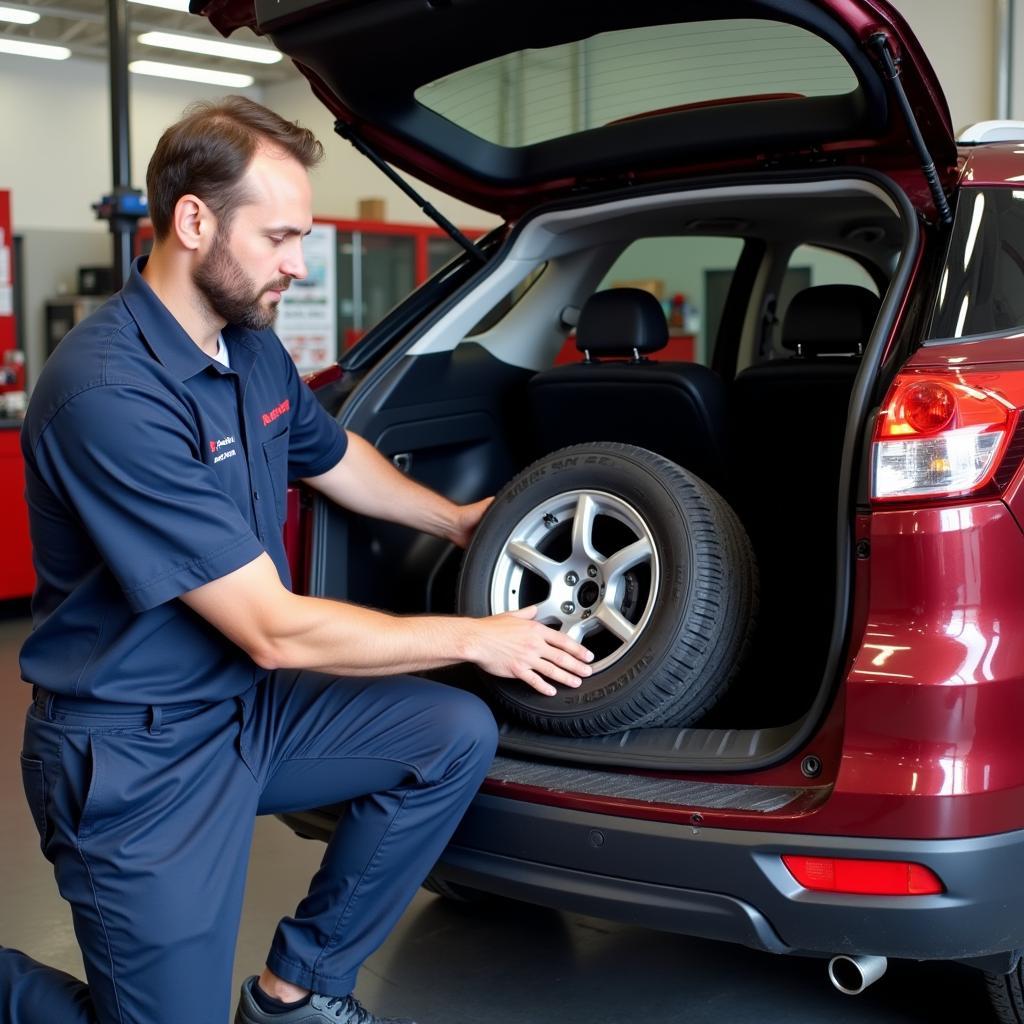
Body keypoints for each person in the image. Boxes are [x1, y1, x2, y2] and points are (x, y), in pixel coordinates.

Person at [1, 97, 593, 1024]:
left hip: (247, 710)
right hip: (135, 752)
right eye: (279, 237)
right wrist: (477, 637)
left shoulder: (249, 347)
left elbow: (328, 455)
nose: (296, 263)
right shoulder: (108, 393)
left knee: (447, 736)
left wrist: (454, 523)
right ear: (193, 221)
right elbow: (272, 629)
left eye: (303, 237)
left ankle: (297, 990)